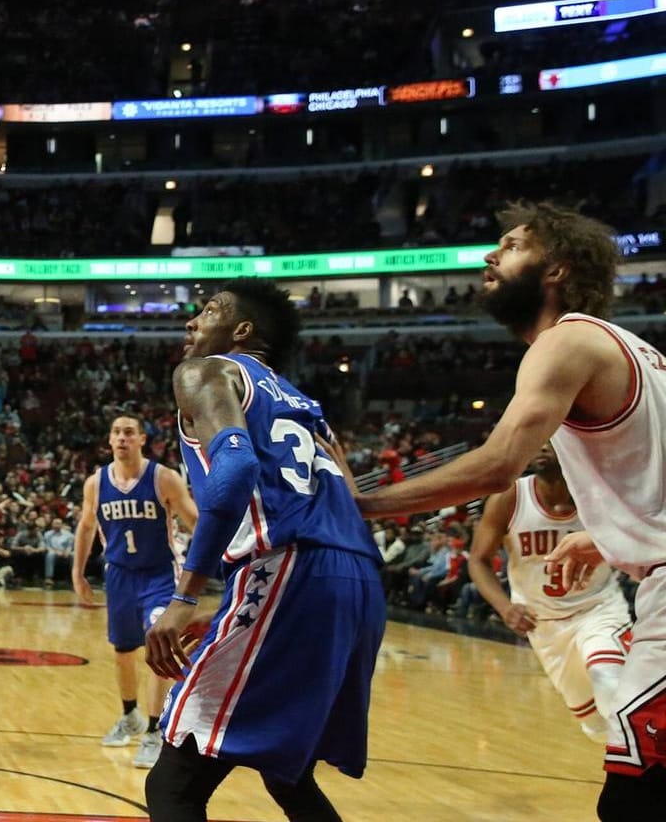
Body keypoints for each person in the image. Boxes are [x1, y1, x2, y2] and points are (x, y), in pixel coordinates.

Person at [356, 202, 664, 819]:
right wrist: (609, 538)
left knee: (635, 794)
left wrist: (360, 503)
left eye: (513, 245)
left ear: (558, 269)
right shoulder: (636, 351)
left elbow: (499, 465)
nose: (490, 256)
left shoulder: (566, 340)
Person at [143, 279, 384, 822]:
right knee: (286, 772)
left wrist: (186, 594)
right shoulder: (306, 404)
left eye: (207, 312)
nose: (191, 322)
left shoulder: (206, 371)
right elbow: (347, 494)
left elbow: (236, 471)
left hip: (289, 568)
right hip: (359, 578)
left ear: (241, 331)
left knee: (173, 786)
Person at [466, 443, 632, 739]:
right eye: (539, 438)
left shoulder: (597, 491)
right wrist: (506, 608)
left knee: (609, 680)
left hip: (597, 608)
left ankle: (643, 773)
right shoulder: (510, 497)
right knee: (594, 726)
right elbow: (478, 560)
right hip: (544, 624)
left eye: (552, 440)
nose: (542, 445)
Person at [72, 414, 198, 769]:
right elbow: (85, 528)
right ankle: (130, 717)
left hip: (159, 575)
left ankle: (155, 731)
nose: (122, 438)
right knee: (124, 652)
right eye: (116, 432)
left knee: (159, 645)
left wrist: (202, 571)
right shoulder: (96, 483)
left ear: (143, 439)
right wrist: (78, 572)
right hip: (119, 577)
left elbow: (197, 523)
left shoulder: (164, 478)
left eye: (129, 432)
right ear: (109, 440)